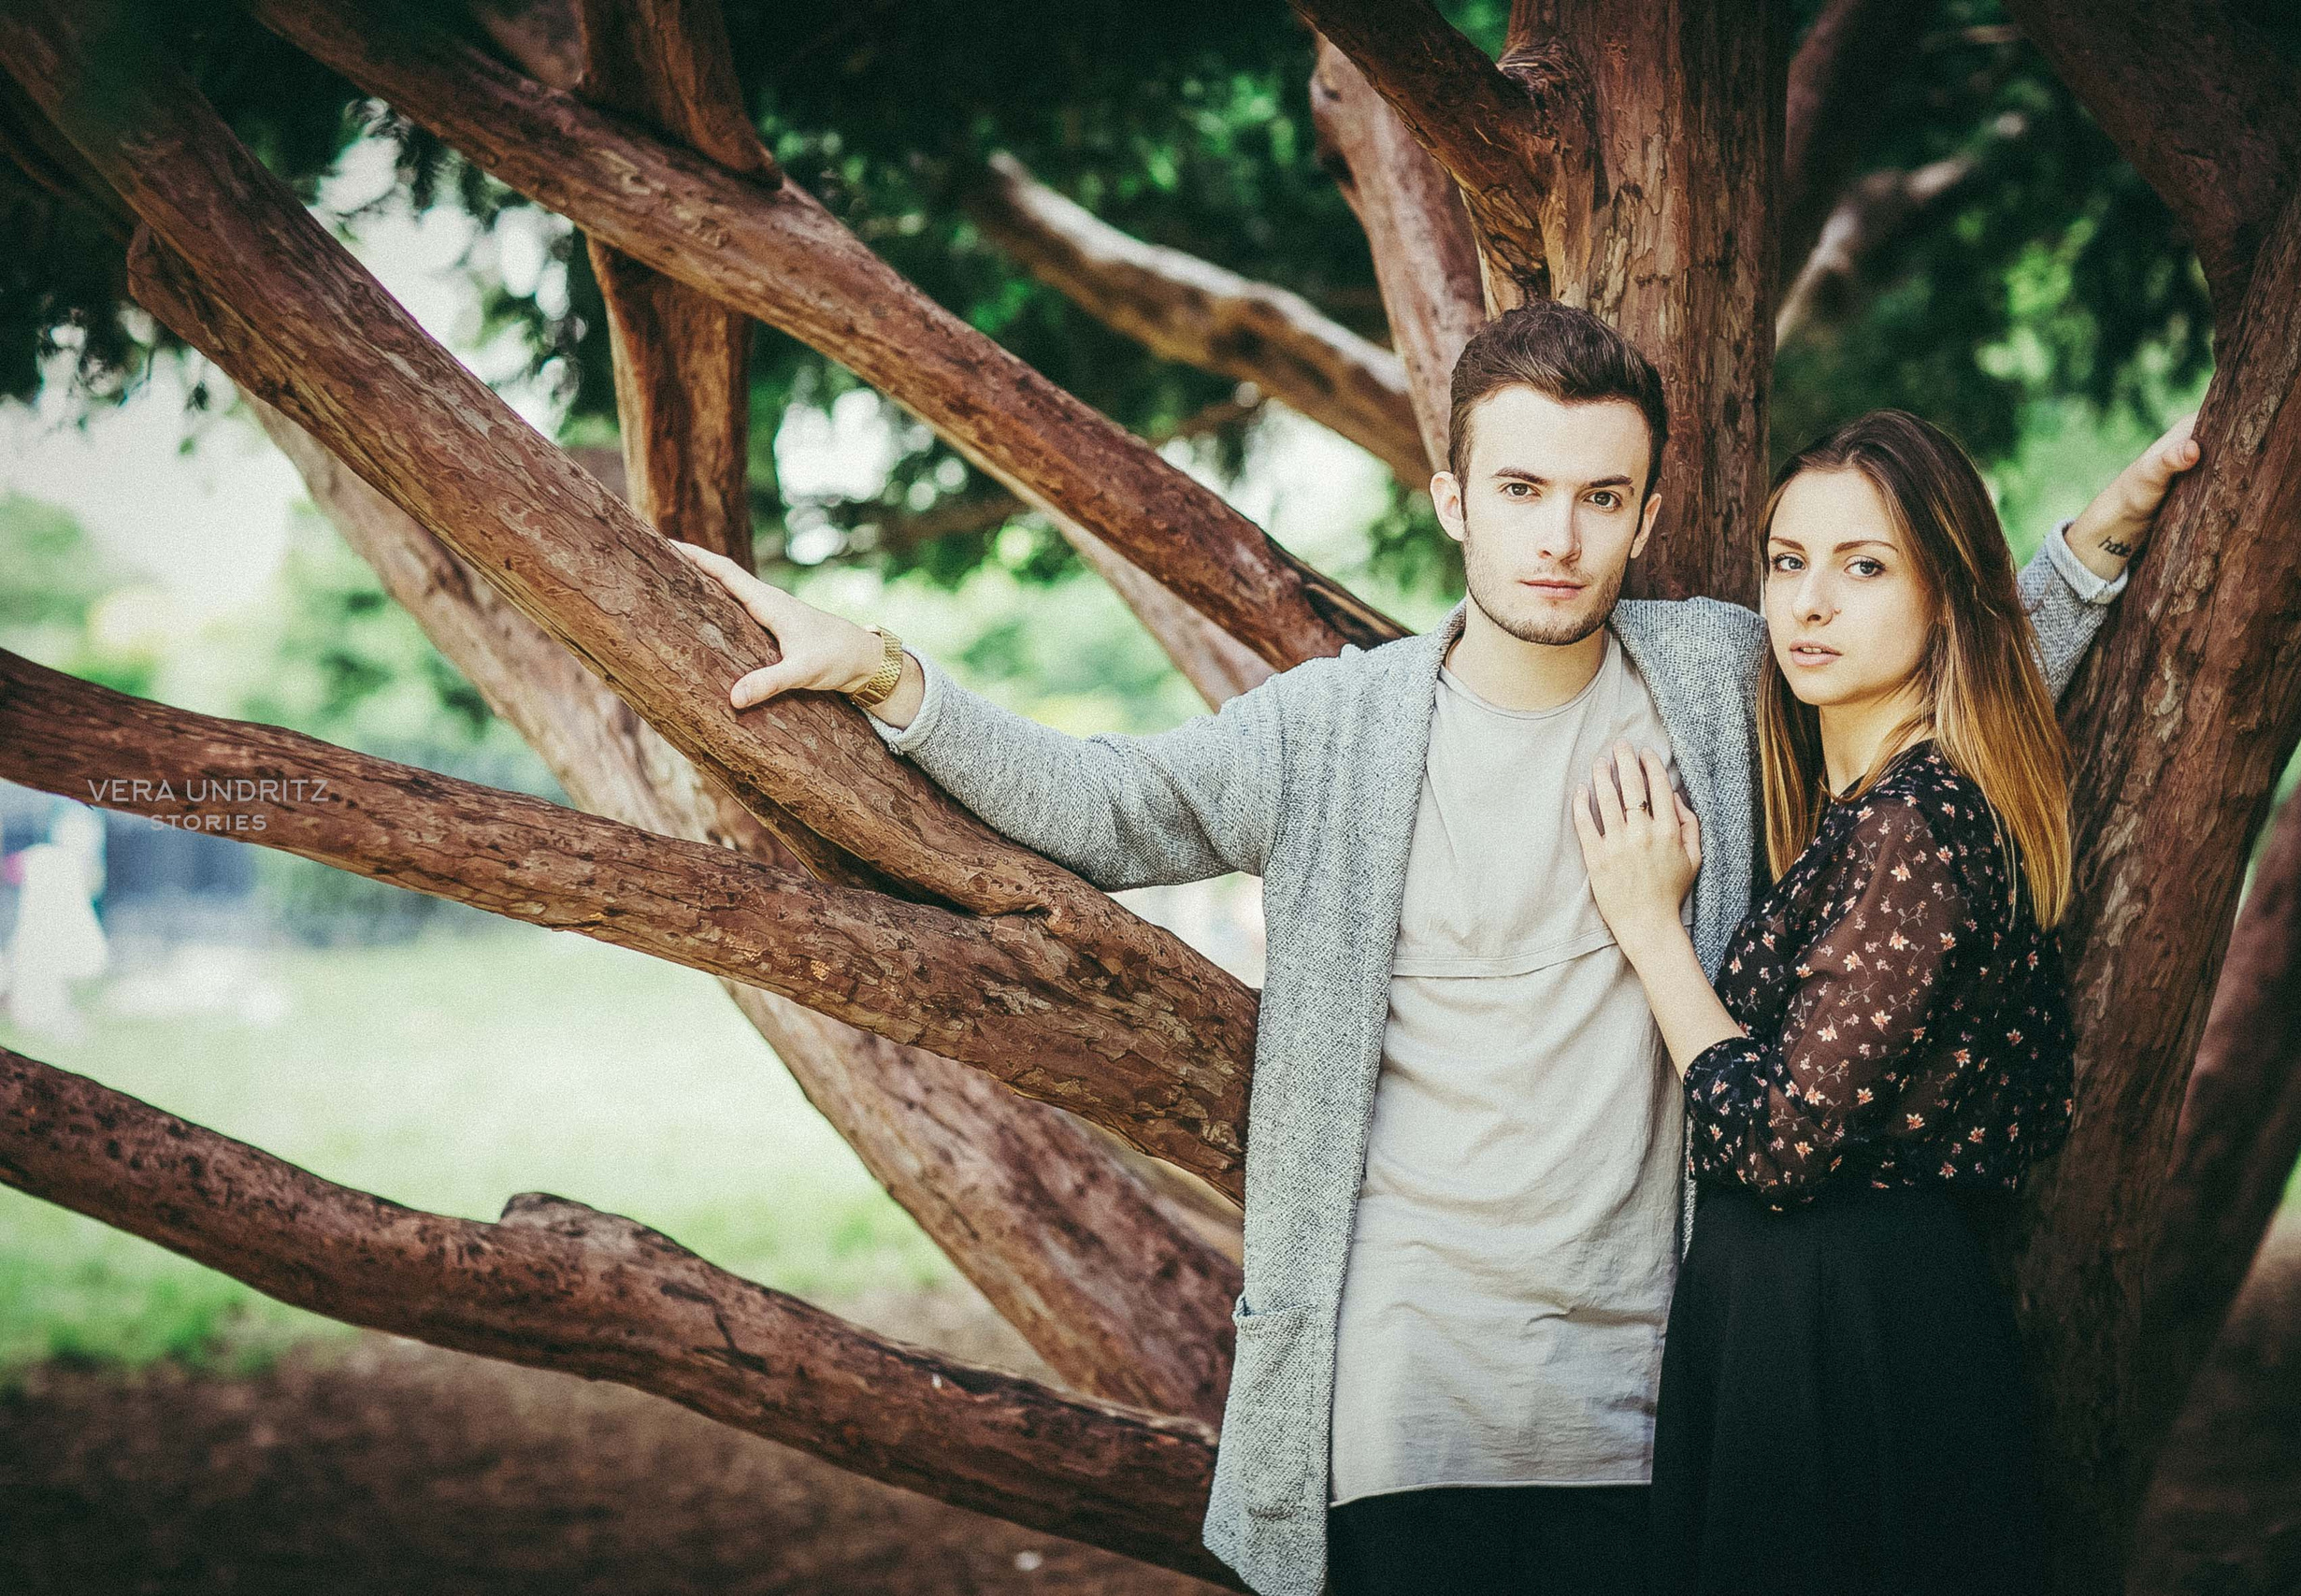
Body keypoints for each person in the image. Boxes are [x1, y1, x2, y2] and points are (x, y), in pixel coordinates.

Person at [669, 304, 2190, 1596]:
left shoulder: (1723, 675)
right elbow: (1108, 806)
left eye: (1603, 497)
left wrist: (2087, 556)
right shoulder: (1336, 731)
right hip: (1404, 1403)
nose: (1560, 533)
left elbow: (1914, 683)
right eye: (1522, 488)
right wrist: (886, 670)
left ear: (1648, 514)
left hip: (1656, 1399)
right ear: (1455, 496)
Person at [1574, 409, 2187, 1595]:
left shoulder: (1912, 823)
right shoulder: (1880, 805)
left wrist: (1652, 932)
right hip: (1818, 1318)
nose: (1806, 604)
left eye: (1863, 568)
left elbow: (1780, 1142)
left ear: (1943, 598)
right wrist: (2092, 549)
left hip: (1840, 1330)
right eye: (1787, 563)